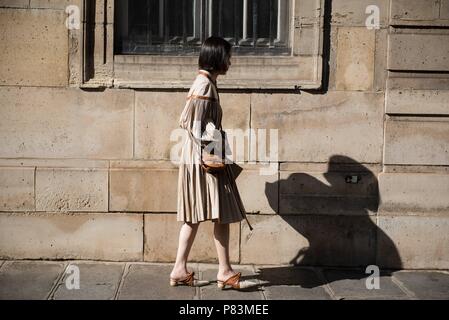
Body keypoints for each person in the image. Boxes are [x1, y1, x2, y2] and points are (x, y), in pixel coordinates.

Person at [169, 36, 254, 290]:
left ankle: (180, 269)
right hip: (204, 161)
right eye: (228, 56)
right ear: (218, 58)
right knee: (222, 214)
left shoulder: (206, 83)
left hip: (198, 158)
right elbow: (190, 123)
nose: (230, 61)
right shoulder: (204, 85)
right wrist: (215, 149)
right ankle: (224, 271)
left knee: (196, 217)